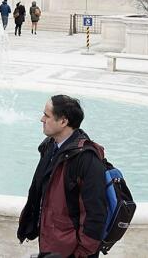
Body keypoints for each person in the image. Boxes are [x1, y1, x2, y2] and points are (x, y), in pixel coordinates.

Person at [17, 95, 109, 258]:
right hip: (52, 244)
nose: (42, 119)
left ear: (63, 122)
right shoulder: (49, 146)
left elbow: (96, 214)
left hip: (73, 252)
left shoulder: (86, 158)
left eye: (47, 115)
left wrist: (82, 253)